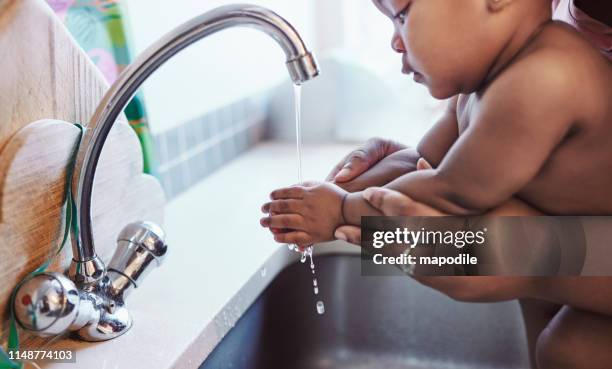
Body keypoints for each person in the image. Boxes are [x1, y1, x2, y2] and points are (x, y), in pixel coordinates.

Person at [260, 0, 612, 368]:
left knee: (555, 332)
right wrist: (337, 190)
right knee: (571, 350)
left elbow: (454, 190)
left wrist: (341, 212)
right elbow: (422, 160)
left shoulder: (543, 76)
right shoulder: (488, 83)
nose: (395, 43)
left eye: (402, 16)